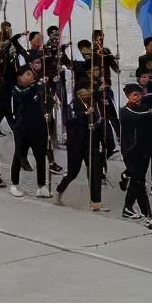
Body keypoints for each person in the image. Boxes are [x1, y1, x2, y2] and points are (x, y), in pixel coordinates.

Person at [55, 78, 106, 210]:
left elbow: (101, 96)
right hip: (76, 144)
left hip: (91, 142)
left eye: (89, 90)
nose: (88, 92)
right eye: (85, 90)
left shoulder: (94, 102)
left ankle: (96, 201)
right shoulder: (73, 104)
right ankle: (60, 190)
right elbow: (71, 122)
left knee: (95, 173)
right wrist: (84, 115)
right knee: (73, 172)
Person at [119, 84, 152, 229]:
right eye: (134, 95)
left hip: (144, 151)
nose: (137, 98)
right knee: (139, 183)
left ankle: (128, 207)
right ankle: (147, 215)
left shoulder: (145, 109)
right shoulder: (125, 111)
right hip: (130, 151)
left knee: (137, 181)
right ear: (128, 97)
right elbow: (140, 117)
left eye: (139, 95)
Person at [8, 65, 51, 199]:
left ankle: (41, 186)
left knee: (40, 156)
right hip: (22, 128)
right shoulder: (17, 89)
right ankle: (14, 184)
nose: (30, 76)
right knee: (19, 155)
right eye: (27, 74)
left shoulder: (37, 87)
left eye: (31, 74)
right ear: (20, 77)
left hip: (38, 127)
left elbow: (48, 101)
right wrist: (36, 87)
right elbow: (24, 96)